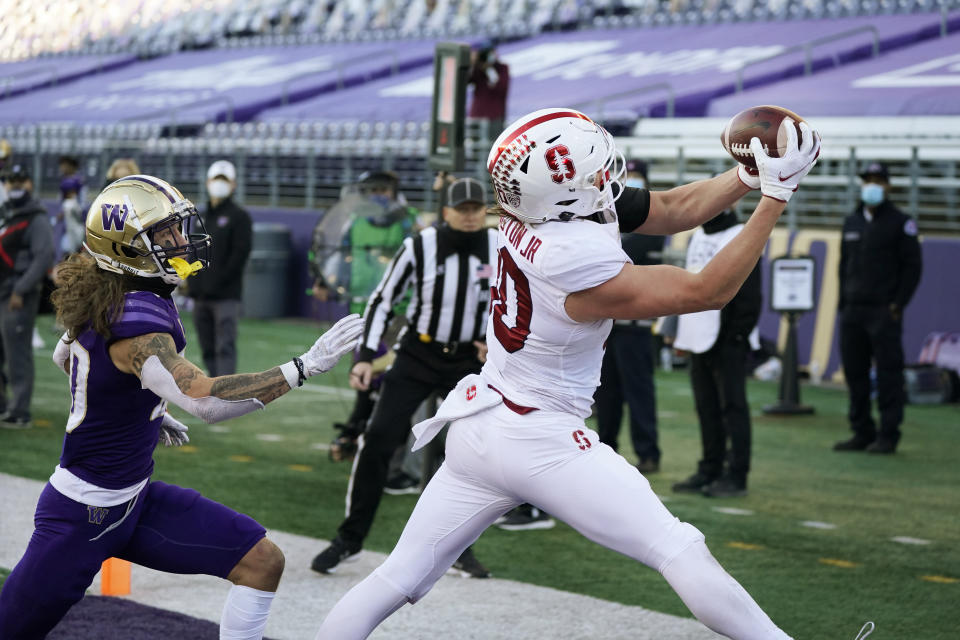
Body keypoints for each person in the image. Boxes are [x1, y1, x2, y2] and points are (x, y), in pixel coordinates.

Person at [314, 107, 821, 640]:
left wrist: (749, 175)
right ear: (565, 190)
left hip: (481, 421)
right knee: (678, 548)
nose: (605, 176)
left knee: (398, 576)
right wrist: (775, 197)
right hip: (541, 438)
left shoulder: (533, 211)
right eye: (593, 170)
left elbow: (672, 208)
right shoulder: (571, 257)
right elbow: (706, 291)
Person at [0, 174, 363, 639]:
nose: (179, 240)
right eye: (164, 233)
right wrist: (305, 366)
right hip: (80, 516)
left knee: (261, 561)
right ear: (125, 249)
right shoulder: (135, 326)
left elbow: (64, 354)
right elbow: (207, 401)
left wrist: (141, 403)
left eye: (177, 227)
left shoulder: (109, 291)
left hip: (134, 499)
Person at [310, 177, 497, 580]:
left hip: (468, 359)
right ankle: (350, 538)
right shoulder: (420, 246)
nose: (469, 216)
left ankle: (459, 549)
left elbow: (516, 301)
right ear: (445, 211)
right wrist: (364, 357)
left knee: (472, 454)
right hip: (418, 353)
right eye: (461, 208)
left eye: (475, 208)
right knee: (377, 440)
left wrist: (495, 342)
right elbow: (382, 300)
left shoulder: (500, 248)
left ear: (485, 210)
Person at [671, 209, 762, 498]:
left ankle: (737, 475)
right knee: (706, 408)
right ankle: (709, 468)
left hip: (728, 339)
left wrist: (736, 336)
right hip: (699, 336)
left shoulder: (740, 234)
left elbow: (750, 292)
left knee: (733, 409)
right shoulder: (697, 235)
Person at [834, 162, 922, 455]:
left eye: (878, 180)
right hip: (853, 310)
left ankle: (888, 434)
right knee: (855, 374)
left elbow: (913, 267)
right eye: (868, 180)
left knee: (888, 374)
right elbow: (843, 265)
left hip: (883, 311)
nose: (872, 185)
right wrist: (842, 304)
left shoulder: (901, 222)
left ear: (888, 186)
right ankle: (861, 431)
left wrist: (898, 304)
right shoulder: (852, 221)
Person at [593, 159, 664, 473]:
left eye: (636, 178)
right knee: (605, 391)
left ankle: (648, 452)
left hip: (635, 323)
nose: (630, 182)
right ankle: (605, 446)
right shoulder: (605, 220)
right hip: (607, 324)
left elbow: (626, 253)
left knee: (639, 391)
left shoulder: (648, 225)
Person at [0, 165, 54, 429]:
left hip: (16, 294)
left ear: (30, 183)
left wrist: (21, 288)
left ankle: (19, 410)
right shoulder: (8, 213)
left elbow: (44, 255)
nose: (15, 185)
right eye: (11, 180)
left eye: (20, 180)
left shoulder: (36, 217)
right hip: (3, 290)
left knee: (17, 353)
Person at [187, 160, 253, 376]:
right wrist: (192, 280)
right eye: (216, 179)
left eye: (224, 180)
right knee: (207, 347)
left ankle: (225, 392)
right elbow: (193, 249)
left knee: (224, 346)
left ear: (233, 185)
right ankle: (213, 388)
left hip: (225, 295)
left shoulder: (239, 217)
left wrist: (216, 282)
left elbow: (239, 255)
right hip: (200, 296)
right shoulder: (201, 216)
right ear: (208, 182)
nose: (219, 184)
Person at [468, 40, 510, 140]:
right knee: (476, 149)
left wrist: (489, 69)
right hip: (477, 116)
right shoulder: (477, 68)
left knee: (492, 148)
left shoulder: (502, 68)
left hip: (495, 117)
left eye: (491, 52)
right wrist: (471, 64)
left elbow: (500, 87)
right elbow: (466, 81)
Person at [58, 155, 87, 256]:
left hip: (76, 217)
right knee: (67, 246)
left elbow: (81, 200)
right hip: (68, 219)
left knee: (76, 245)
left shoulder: (77, 180)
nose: (62, 168)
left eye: (65, 165)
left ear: (72, 166)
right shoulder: (64, 180)